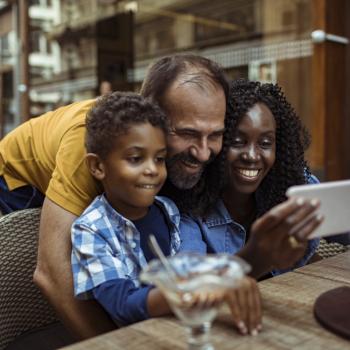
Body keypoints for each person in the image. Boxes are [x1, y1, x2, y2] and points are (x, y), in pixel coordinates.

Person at [0, 54, 319, 339]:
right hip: (16, 186)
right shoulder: (93, 144)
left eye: (217, 134)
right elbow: (50, 275)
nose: (206, 152)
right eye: (189, 133)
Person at [71, 91, 262, 334]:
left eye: (160, 159)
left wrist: (220, 278)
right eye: (135, 158)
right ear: (98, 166)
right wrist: (192, 289)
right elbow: (123, 305)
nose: (152, 169)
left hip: (185, 329)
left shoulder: (169, 210)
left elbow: (193, 265)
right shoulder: (91, 230)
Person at [180, 79, 323, 278]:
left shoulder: (297, 188)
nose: (252, 156)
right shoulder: (190, 209)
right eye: (237, 142)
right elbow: (195, 284)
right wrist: (256, 257)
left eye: (265, 143)